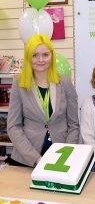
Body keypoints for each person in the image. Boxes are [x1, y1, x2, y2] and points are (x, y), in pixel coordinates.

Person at [6, 34, 80, 167]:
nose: (41, 60)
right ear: (28, 57)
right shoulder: (19, 83)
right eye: (35, 55)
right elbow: (13, 126)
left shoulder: (65, 82)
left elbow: (73, 125)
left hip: (61, 158)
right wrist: (36, 158)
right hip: (27, 159)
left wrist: (66, 153)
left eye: (45, 55)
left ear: (52, 56)